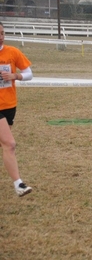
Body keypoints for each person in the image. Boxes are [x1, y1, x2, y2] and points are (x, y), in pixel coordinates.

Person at [0, 22, 33, 197]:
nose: (0, 36)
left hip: (9, 105)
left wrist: (15, 76)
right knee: (10, 144)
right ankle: (19, 184)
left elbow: (29, 74)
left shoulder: (12, 52)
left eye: (2, 33)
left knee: (5, 146)